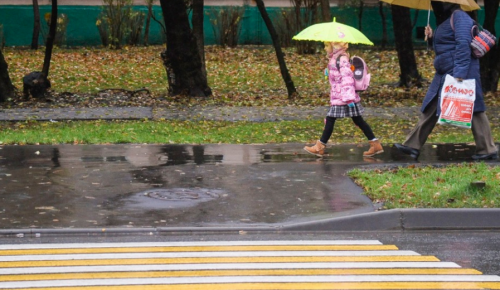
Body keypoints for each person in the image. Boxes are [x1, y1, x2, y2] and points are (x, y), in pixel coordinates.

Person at [394, 2, 498, 161]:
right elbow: (447, 44)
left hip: (460, 72)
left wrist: (460, 74)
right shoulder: (450, 18)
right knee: (430, 107)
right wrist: (431, 38)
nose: (437, 4)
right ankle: (412, 146)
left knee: (475, 109)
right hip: (446, 72)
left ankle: (487, 149)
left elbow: (463, 45)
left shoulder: (460, 17)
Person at [304, 41, 383, 157]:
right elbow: (337, 77)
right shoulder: (335, 59)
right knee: (358, 120)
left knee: (330, 119)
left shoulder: (341, 59)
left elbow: (347, 79)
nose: (325, 48)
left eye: (326, 46)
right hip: (341, 95)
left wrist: (348, 98)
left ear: (334, 46)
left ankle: (319, 146)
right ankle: (375, 144)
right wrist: (329, 72)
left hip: (344, 97)